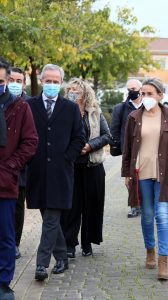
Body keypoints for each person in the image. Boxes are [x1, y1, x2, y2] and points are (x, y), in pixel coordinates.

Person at [122, 77, 168, 280]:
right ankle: (150, 249)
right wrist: (126, 174)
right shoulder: (134, 117)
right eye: (143, 93)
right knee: (148, 215)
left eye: (150, 94)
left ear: (160, 95)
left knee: (162, 215)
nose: (146, 97)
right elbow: (128, 149)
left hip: (164, 174)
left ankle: (163, 260)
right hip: (141, 173)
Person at [26, 64, 85, 281]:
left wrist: (67, 157)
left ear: (61, 83)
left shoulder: (69, 108)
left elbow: (79, 137)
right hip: (38, 173)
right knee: (49, 219)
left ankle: (41, 265)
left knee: (51, 220)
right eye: (48, 81)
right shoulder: (29, 106)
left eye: (55, 81)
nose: (51, 85)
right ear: (41, 81)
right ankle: (62, 256)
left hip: (61, 173)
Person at [0, 57, 38, 300]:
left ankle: (3, 283)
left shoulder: (20, 107)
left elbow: (30, 142)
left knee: (5, 236)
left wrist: (10, 167)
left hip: (4, 182)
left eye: (1, 81)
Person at [60, 78, 112, 258]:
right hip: (71, 166)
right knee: (71, 207)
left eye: (76, 90)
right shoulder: (63, 111)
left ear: (84, 93)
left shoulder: (95, 112)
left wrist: (90, 146)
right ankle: (69, 244)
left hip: (92, 165)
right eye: (70, 90)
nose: (72, 93)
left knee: (92, 206)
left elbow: (107, 135)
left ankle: (87, 242)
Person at [111, 79, 143, 218]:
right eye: (129, 89)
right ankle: (134, 205)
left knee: (145, 177)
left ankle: (145, 204)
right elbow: (115, 128)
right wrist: (120, 144)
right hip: (129, 148)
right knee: (130, 178)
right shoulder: (121, 108)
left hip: (147, 147)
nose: (132, 91)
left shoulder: (148, 106)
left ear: (140, 89)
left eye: (134, 88)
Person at [8, 67, 30, 259]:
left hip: (21, 166)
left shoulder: (29, 104)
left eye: (18, 80)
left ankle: (15, 243)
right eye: (11, 79)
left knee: (17, 206)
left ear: (24, 83)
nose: (14, 83)